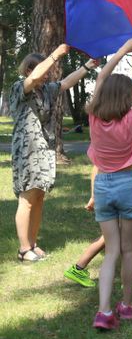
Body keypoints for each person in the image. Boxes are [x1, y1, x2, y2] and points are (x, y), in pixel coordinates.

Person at [87, 37, 132, 330]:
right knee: (129, 250)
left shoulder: (93, 115)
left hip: (103, 186)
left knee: (112, 251)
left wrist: (121, 50)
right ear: (127, 98)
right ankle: (126, 306)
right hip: (127, 184)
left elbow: (102, 75)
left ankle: (103, 311)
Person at [10, 44, 97, 262]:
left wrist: (88, 66)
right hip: (26, 150)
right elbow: (32, 79)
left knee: (39, 197)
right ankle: (23, 249)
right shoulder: (20, 86)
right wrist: (56, 54)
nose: (48, 73)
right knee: (27, 198)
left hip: (44, 149)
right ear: (30, 69)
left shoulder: (46, 89)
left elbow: (67, 83)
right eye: (43, 69)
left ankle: (32, 244)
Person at [63, 166, 132, 290]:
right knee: (123, 235)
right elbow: (96, 167)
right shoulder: (112, 149)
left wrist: (94, 195)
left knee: (119, 235)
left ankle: (78, 268)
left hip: (111, 191)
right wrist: (93, 196)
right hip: (118, 193)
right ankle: (131, 278)